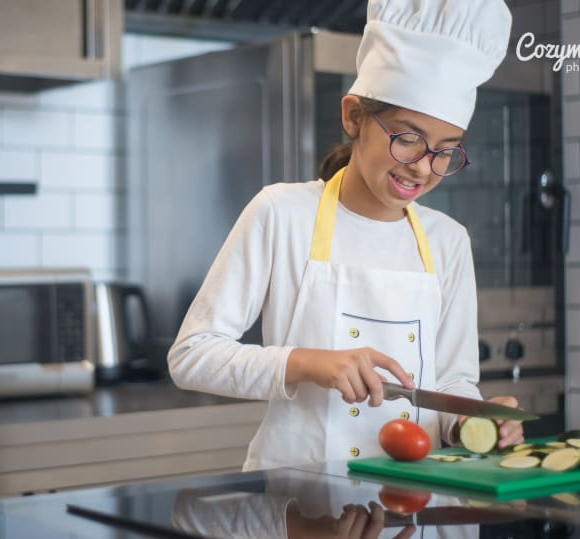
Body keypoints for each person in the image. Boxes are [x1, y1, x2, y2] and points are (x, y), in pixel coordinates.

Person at [168, 0, 523, 472]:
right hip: (297, 502)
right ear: (354, 116)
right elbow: (192, 356)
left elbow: (454, 382)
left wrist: (472, 422)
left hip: (411, 505)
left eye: (445, 151)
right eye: (407, 137)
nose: (422, 167)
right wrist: (307, 362)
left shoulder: (448, 240)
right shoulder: (281, 212)